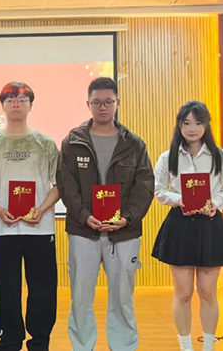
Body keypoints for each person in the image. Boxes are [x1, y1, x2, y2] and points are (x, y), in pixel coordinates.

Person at [57, 77, 154, 351]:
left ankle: (123, 346)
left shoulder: (134, 144)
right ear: (88, 104)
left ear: (117, 103)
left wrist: (128, 217)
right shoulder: (73, 141)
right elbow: (66, 184)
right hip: (83, 231)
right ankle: (82, 346)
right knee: (80, 298)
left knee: (122, 298)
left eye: (108, 102)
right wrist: (84, 215)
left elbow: (145, 185)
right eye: (97, 102)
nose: (102, 107)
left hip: (124, 233)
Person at [0, 82, 59, 351]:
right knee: (6, 289)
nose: (16, 103)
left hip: (40, 229)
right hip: (4, 230)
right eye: (10, 99)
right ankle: (9, 341)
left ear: (31, 105)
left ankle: (40, 342)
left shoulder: (45, 144)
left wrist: (42, 209)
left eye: (22, 99)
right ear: (2, 105)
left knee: (43, 289)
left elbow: (58, 185)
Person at [152, 100, 223, 351]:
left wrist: (216, 203)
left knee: (208, 292)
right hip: (181, 225)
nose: (192, 128)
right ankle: (186, 345)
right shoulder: (168, 157)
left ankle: (209, 345)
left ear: (206, 125)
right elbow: (158, 191)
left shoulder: (220, 156)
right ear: (179, 125)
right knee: (184, 293)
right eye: (186, 123)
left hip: (210, 224)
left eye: (198, 123)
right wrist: (180, 199)